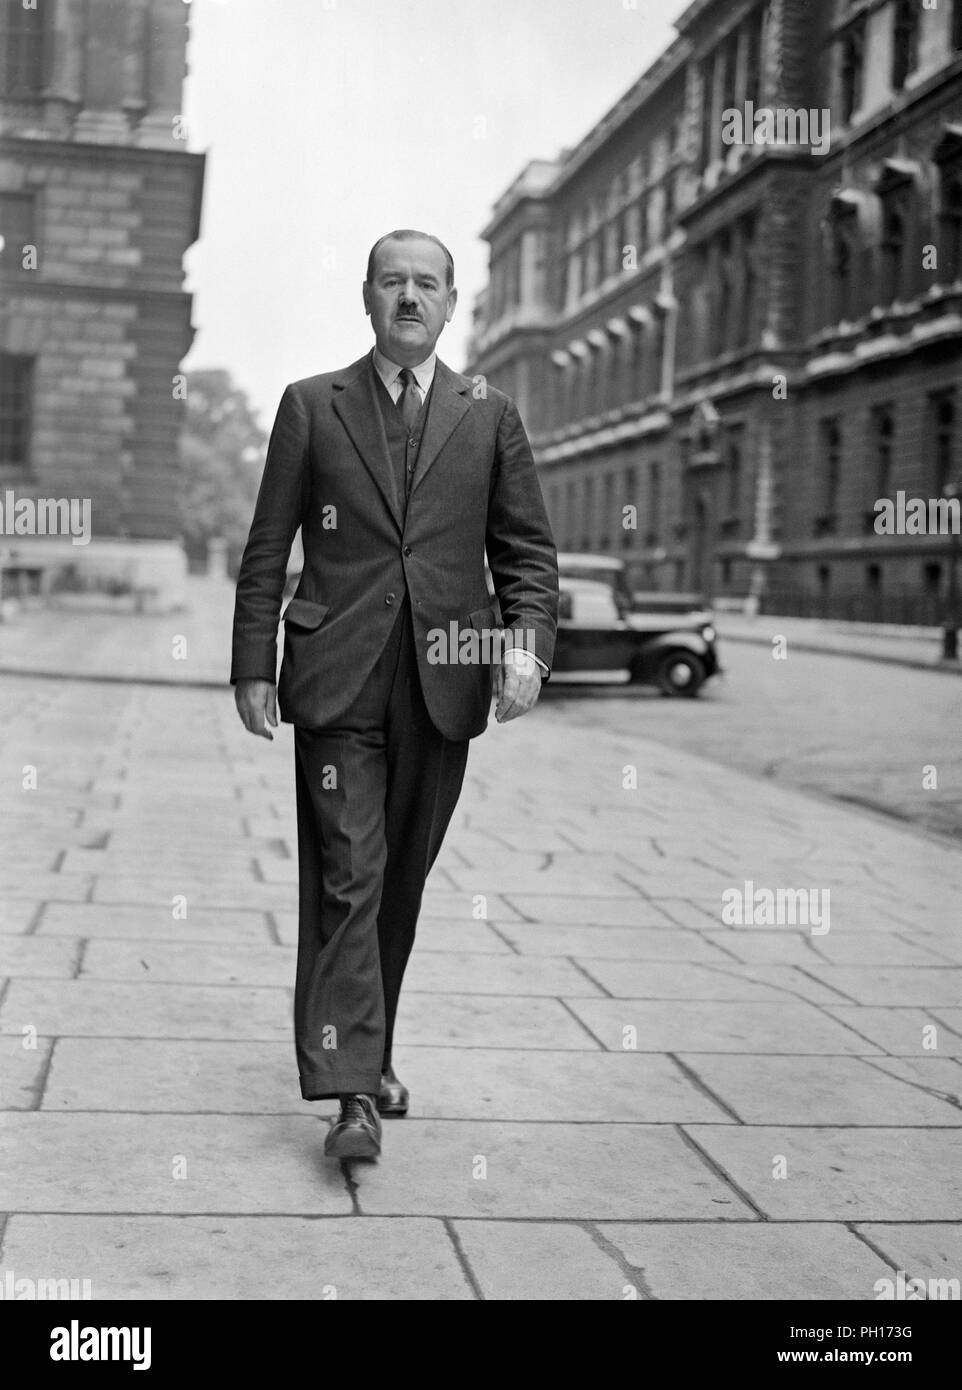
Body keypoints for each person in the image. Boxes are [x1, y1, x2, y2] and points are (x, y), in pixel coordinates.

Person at [231, 229, 558, 1158]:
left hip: (441, 683)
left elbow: (527, 553)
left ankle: (370, 1057)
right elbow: (267, 550)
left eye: (427, 285)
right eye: (391, 283)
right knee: (350, 877)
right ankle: (350, 1098)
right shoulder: (310, 407)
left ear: (452, 304)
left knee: (398, 886)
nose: (408, 298)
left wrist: (526, 648)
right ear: (366, 300)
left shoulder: (491, 414)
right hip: (335, 682)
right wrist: (254, 661)